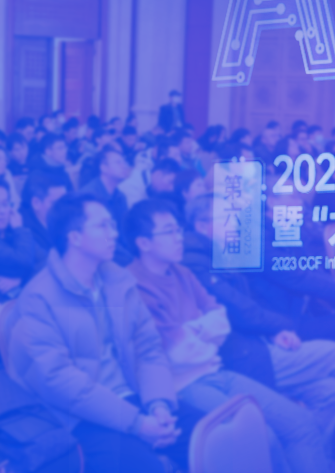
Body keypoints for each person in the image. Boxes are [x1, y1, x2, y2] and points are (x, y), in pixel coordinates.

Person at [124, 199, 335, 473]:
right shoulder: (134, 285)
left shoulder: (181, 272)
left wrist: (193, 330)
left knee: (301, 425)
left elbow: (221, 320)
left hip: (216, 369)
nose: (179, 237)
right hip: (182, 385)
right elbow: (175, 353)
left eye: (178, 229)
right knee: (263, 438)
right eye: (169, 232)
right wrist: (203, 327)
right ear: (143, 243)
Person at [4, 193, 199, 473]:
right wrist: (137, 423)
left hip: (135, 395)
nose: (114, 233)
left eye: (113, 225)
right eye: (103, 226)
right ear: (74, 237)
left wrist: (159, 404)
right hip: (79, 416)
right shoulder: (38, 298)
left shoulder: (118, 280)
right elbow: (59, 381)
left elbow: (148, 347)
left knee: (212, 436)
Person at [20, 171, 70, 266]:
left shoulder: (67, 220)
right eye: (57, 203)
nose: (64, 208)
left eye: (66, 202)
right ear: (36, 203)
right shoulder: (24, 233)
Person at [0, 179, 37, 301]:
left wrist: (19, 280)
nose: (2, 211)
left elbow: (46, 260)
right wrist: (20, 230)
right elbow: (24, 262)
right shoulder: (19, 232)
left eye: (4, 204)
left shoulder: (13, 231)